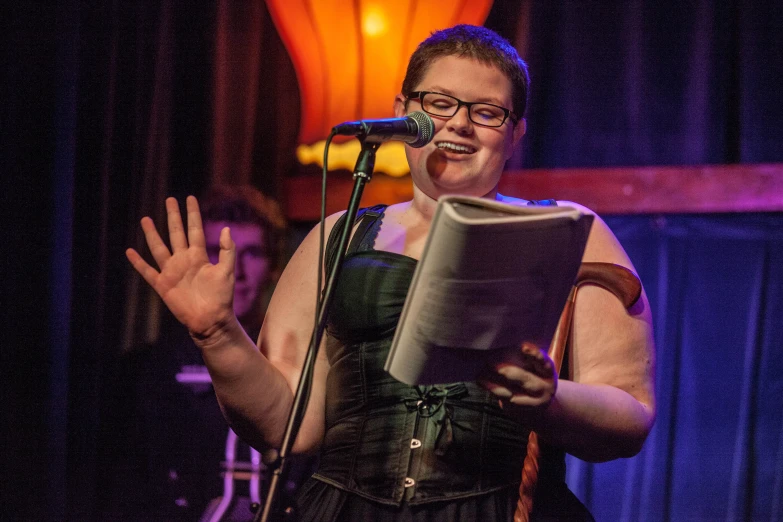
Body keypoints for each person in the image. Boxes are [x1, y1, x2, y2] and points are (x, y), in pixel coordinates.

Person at [126, 25, 655, 521]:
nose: (458, 123)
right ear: (403, 111)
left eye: (487, 112)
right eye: (439, 103)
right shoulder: (337, 236)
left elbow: (630, 413)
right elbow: (289, 427)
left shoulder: (570, 232)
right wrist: (217, 334)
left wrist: (551, 400)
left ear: (515, 133)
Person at [121, 184, 312, 520]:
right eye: (216, 251)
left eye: (251, 253)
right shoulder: (152, 368)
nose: (232, 271)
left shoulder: (302, 359)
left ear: (274, 266)